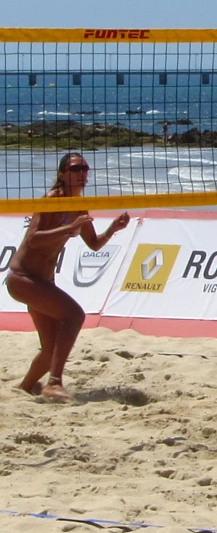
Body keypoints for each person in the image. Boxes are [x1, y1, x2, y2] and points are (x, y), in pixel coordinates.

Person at [6, 152, 130, 401]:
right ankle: (54, 382)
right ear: (63, 174)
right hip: (22, 278)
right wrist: (69, 229)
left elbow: (94, 244)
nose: (82, 173)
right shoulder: (52, 200)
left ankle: (26, 387)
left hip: (42, 282)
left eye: (85, 168)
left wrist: (113, 229)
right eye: (76, 169)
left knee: (50, 348)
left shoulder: (78, 206)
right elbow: (33, 239)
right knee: (74, 315)